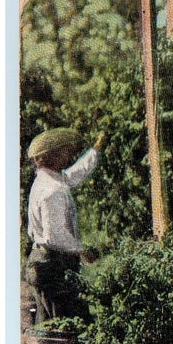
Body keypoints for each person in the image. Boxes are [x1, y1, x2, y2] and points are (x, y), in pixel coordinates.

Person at [24, 128, 105, 323]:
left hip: (41, 263)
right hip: (52, 267)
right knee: (65, 327)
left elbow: (73, 175)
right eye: (63, 152)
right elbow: (56, 237)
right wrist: (82, 251)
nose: (68, 156)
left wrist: (95, 151)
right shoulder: (53, 191)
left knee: (47, 328)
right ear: (49, 157)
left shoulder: (46, 180)